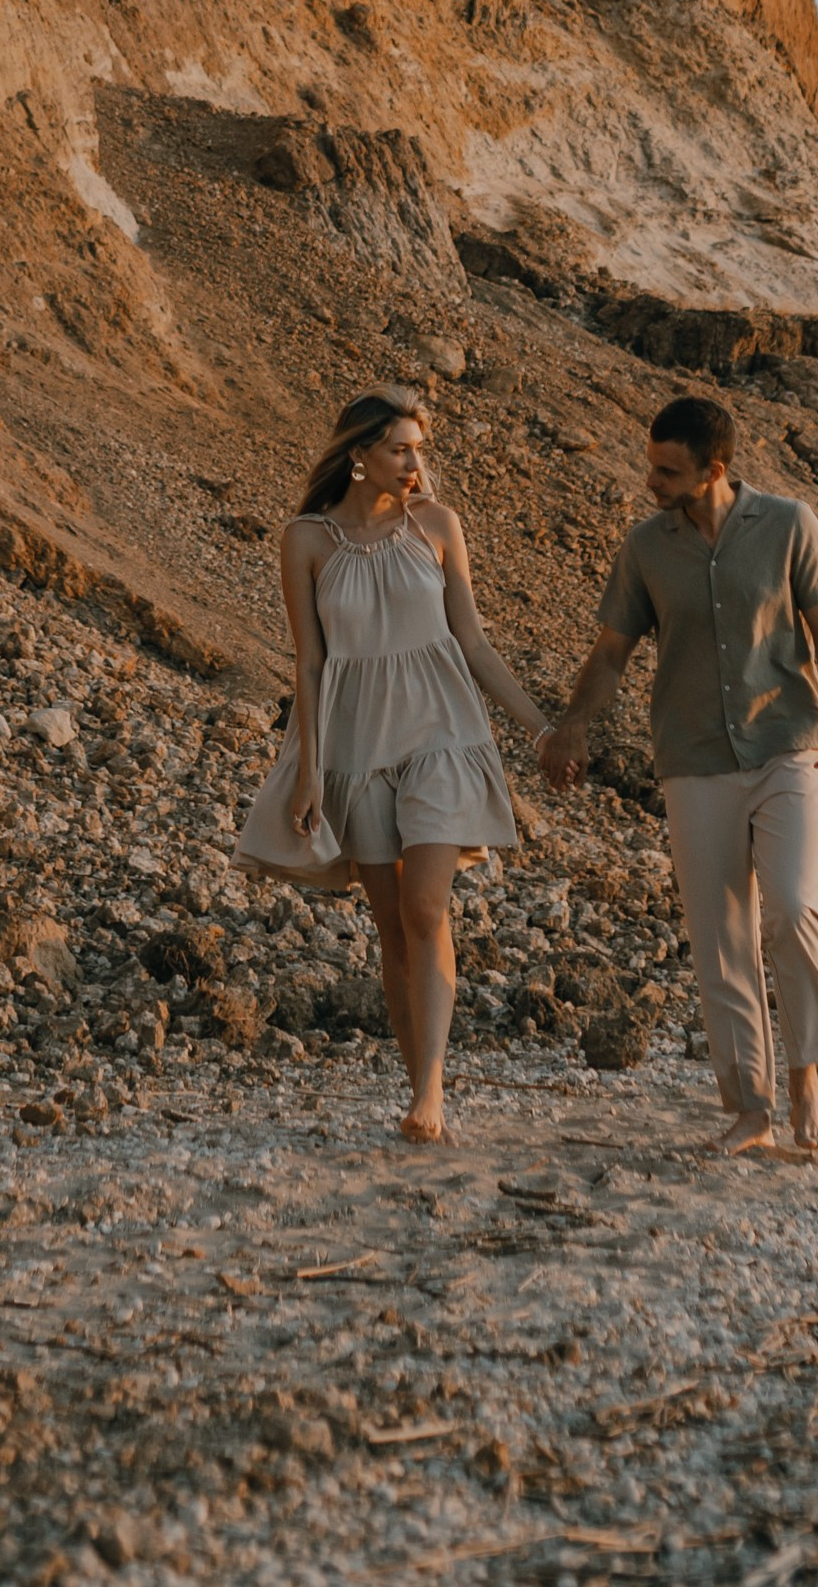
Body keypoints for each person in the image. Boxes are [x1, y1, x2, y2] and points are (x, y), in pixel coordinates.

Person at [539, 392, 818, 1155]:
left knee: (792, 910)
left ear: (715, 470)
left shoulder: (789, 524)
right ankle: (751, 1110)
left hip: (787, 745)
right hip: (692, 756)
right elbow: (611, 651)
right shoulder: (646, 547)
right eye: (650, 466)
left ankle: (807, 1080)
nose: (651, 481)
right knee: (721, 939)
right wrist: (575, 721)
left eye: (667, 472)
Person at [238, 392, 549, 1142]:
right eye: (400, 449)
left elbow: (472, 641)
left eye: (418, 449)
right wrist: (310, 773)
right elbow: (309, 664)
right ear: (359, 455)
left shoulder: (437, 526)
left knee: (425, 907)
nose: (416, 464)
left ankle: (432, 1090)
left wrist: (539, 728)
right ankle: (419, 1093)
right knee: (391, 926)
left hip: (440, 734)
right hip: (355, 747)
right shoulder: (306, 539)